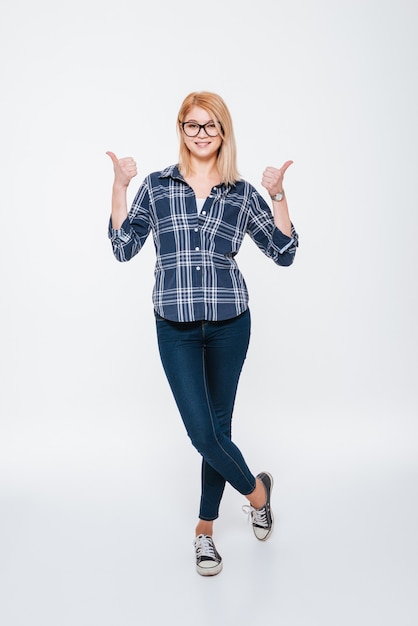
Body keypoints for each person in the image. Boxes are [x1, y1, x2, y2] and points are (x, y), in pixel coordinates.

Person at [107, 91, 298, 576]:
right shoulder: (157, 186)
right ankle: (258, 492)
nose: (201, 134)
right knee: (203, 434)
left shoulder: (239, 192)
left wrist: (277, 196)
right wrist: (119, 187)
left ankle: (204, 531)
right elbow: (123, 247)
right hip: (175, 328)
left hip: (231, 324)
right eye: (193, 126)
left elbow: (283, 251)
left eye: (210, 126)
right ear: (181, 130)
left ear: (223, 133)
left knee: (219, 430)